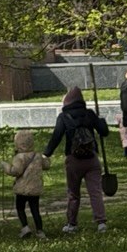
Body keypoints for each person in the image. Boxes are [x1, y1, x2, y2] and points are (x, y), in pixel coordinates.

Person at [43, 86, 110, 234]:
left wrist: (46, 154)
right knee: (95, 192)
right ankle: (101, 223)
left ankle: (72, 224)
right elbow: (104, 132)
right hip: (92, 158)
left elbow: (56, 137)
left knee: (73, 194)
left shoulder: (63, 117)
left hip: (73, 160)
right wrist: (101, 121)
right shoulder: (89, 114)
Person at [0, 128, 51, 239]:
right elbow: (46, 165)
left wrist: (5, 166)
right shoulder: (37, 155)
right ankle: (40, 231)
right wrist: (45, 157)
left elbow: (15, 171)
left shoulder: (19, 157)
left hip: (22, 189)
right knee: (35, 210)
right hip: (34, 188)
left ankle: (25, 227)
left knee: (20, 208)